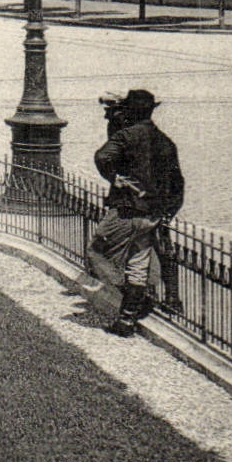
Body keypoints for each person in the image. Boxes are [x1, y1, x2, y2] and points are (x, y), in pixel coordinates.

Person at [89, 89, 184, 335]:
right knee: (138, 264)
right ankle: (127, 320)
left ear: (130, 110)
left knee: (96, 253)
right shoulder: (166, 142)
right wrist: (167, 213)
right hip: (152, 215)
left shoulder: (126, 136)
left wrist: (115, 178)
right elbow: (178, 185)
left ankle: (136, 298)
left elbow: (102, 157)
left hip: (127, 212)